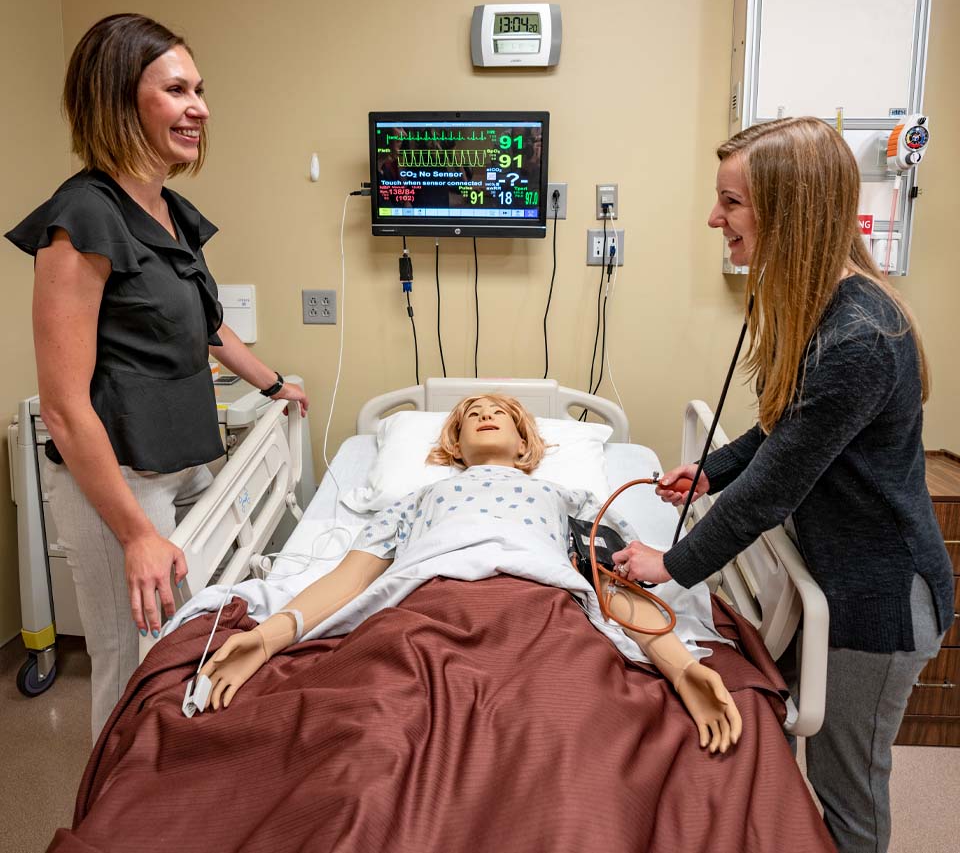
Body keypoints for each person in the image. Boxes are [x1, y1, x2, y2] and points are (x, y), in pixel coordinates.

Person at [614, 117, 953, 852]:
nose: (714, 218)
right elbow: (784, 431)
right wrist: (713, 468)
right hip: (835, 576)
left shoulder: (859, 336)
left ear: (789, 208)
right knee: (804, 763)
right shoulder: (823, 308)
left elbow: (772, 494)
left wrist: (668, 565)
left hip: (880, 602)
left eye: (731, 202)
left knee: (848, 793)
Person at [5, 13, 309, 740]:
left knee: (186, 644)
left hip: (187, 461)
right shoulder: (80, 218)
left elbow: (207, 327)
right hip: (120, 481)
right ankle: (118, 817)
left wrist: (274, 385)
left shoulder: (169, 210)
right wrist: (136, 532)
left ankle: (175, 774)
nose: (198, 107)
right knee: (130, 663)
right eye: (176, 90)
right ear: (118, 100)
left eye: (199, 89)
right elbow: (63, 402)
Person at [199, 394, 743, 754]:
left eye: (499, 412)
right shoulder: (419, 498)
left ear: (525, 442)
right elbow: (350, 582)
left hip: (541, 615)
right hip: (424, 613)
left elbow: (614, 586)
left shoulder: (565, 497)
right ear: (454, 445)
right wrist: (264, 638)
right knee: (373, 734)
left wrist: (679, 668)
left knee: (563, 730)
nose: (484, 413)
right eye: (470, 414)